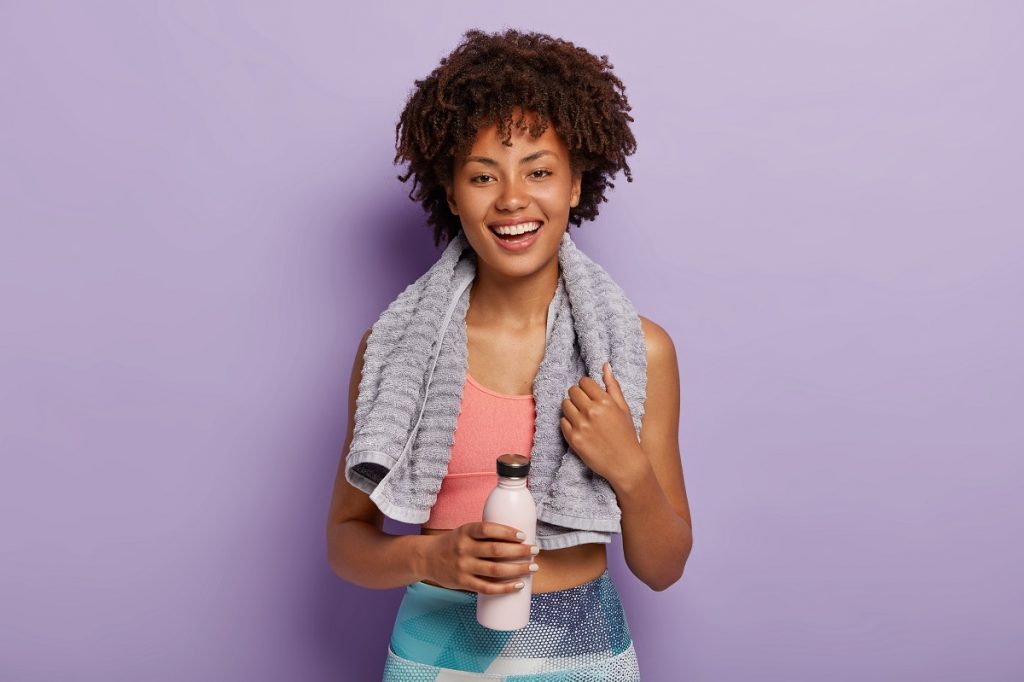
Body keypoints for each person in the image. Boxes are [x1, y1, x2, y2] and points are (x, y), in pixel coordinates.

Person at [326, 28, 693, 680]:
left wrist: (629, 469)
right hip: (431, 661)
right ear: (451, 192)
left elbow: (663, 569)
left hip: (581, 658)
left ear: (577, 185)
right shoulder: (392, 348)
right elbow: (344, 542)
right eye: (482, 176)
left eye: (541, 171)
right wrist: (426, 560)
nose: (513, 199)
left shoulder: (640, 353)